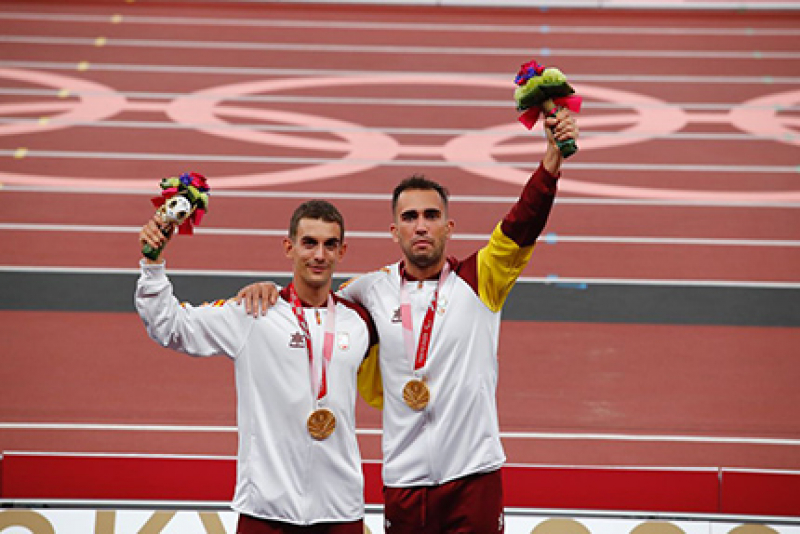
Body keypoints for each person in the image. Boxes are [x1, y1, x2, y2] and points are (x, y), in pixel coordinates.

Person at [236, 109, 579, 533]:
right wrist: (267, 291)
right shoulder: (369, 291)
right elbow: (311, 300)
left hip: (473, 474)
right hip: (403, 481)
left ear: (449, 227)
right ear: (393, 230)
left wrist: (551, 162)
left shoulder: (481, 280)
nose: (421, 226)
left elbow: (521, 224)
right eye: (410, 217)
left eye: (431, 216)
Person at [135, 199, 378, 534]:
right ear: (288, 247)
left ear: (342, 251)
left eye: (329, 245)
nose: (319, 255)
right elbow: (171, 327)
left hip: (340, 508)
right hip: (266, 508)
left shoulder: (360, 321)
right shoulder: (254, 312)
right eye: (309, 243)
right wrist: (152, 264)